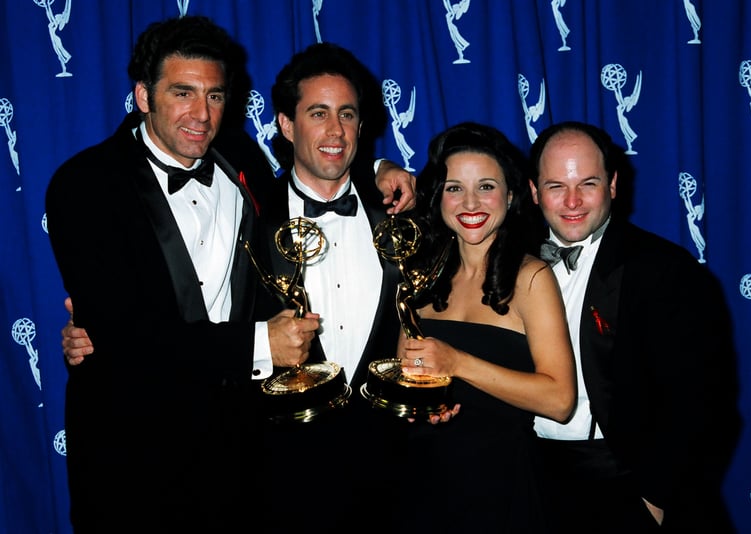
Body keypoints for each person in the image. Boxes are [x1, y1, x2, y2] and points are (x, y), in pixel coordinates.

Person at [46, 16, 413, 533]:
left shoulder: (237, 157)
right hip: (133, 458)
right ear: (143, 96)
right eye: (183, 93)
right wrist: (262, 344)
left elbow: (317, 167)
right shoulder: (84, 186)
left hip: (239, 461)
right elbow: (126, 337)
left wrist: (378, 170)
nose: (201, 114)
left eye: (215, 96)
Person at [527, 121, 740, 533]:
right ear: (535, 192)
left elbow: (702, 401)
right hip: (531, 480)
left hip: (626, 484)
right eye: (556, 186)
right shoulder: (509, 264)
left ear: (612, 185)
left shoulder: (665, 270)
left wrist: (654, 499)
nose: (572, 201)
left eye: (587, 183)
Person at [242, 42, 420, 533]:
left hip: (392, 475)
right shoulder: (245, 218)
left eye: (347, 114)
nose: (335, 131)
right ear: (285, 124)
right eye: (317, 113)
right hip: (281, 476)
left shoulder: (401, 213)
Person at [394, 122, 577, 533]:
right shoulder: (420, 277)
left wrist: (457, 362)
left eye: (487, 186)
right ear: (437, 197)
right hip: (421, 481)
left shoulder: (531, 278)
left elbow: (560, 400)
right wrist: (418, 410)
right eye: (454, 187)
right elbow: (405, 380)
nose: (470, 202)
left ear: (511, 196)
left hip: (501, 487)